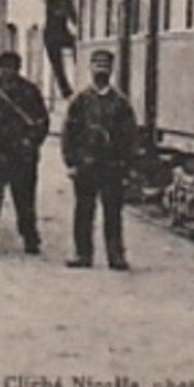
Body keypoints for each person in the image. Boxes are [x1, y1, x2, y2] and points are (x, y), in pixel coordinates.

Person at [61, 48, 139, 270]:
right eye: (97, 65)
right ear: (90, 68)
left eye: (105, 65)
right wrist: (71, 163)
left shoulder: (121, 103)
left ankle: (116, 255)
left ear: (111, 69)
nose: (101, 69)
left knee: (113, 212)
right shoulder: (80, 100)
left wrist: (127, 167)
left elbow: (130, 136)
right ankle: (82, 254)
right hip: (86, 165)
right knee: (84, 211)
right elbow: (69, 133)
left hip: (112, 166)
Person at [0, 50, 51, 254]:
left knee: (24, 198)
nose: (6, 72)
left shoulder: (29, 91)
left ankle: (30, 239)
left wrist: (31, 142)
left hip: (22, 153)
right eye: (3, 68)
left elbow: (42, 121)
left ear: (17, 69)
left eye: (10, 68)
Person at [42, 0, 78, 100]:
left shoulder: (59, 2)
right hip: (52, 36)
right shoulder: (55, 2)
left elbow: (74, 18)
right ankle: (65, 90)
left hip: (57, 35)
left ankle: (67, 88)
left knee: (58, 64)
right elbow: (73, 18)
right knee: (57, 65)